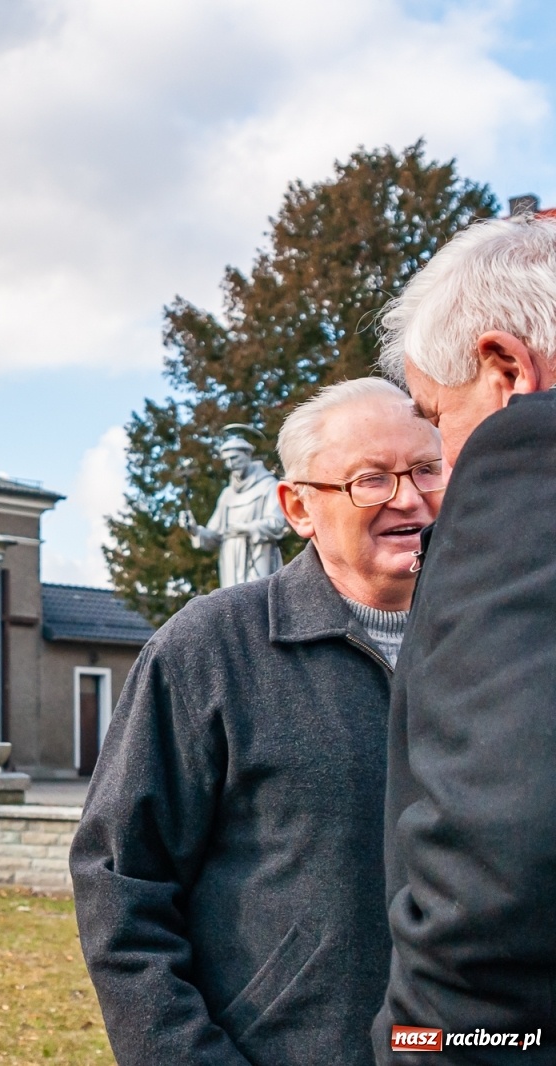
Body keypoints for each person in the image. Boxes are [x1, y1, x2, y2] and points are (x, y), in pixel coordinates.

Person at [72, 378, 445, 1065]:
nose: (410, 498)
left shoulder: (507, 643)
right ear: (297, 507)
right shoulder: (209, 650)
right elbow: (120, 883)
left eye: (428, 468)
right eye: (371, 480)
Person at [373, 212, 556, 1061]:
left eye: (436, 421)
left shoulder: (525, 489)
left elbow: (501, 861)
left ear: (506, 368)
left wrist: (427, 1041)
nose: (436, 476)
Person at [180, 431, 290, 587]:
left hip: (258, 554)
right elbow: (215, 534)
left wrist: (245, 528)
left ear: (248, 455)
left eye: (234, 458)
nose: (230, 465)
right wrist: (194, 530)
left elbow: (279, 523)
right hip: (230, 559)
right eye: (226, 460)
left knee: (258, 601)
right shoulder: (227, 494)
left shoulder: (268, 485)